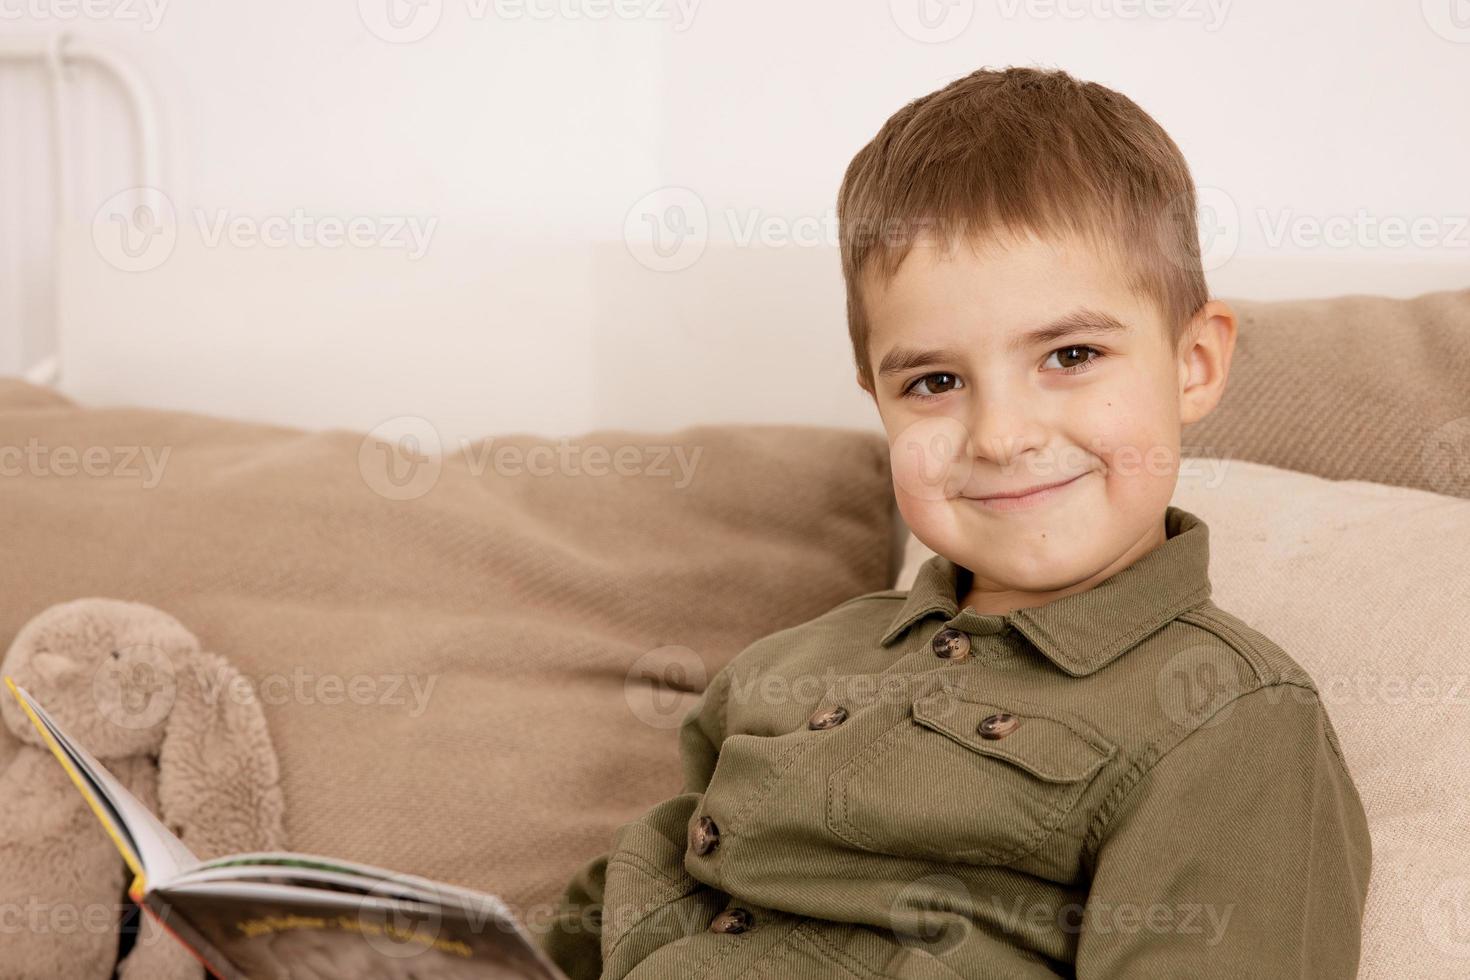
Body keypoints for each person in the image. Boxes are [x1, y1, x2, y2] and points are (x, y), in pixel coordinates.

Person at [537, 65, 1372, 979]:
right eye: (934, 382)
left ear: (1195, 364)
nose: (1002, 435)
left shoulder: (1225, 716)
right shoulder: (791, 665)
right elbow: (625, 899)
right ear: (878, 399)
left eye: (1071, 354)